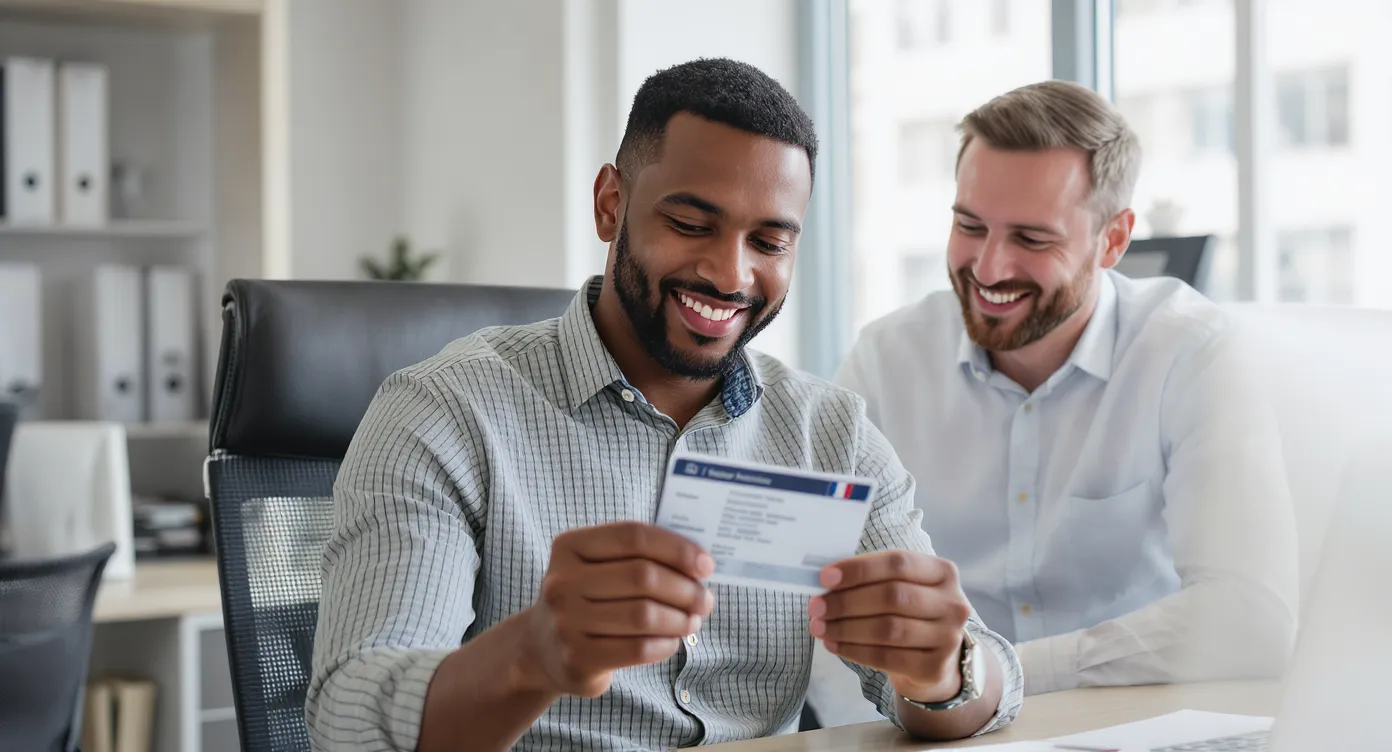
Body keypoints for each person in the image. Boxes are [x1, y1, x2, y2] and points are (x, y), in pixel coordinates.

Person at [305, 58, 1023, 752]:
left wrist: (941, 670)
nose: (729, 273)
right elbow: (348, 720)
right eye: (690, 223)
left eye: (769, 240)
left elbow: (979, 689)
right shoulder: (443, 413)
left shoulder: (831, 433)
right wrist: (532, 655)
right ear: (611, 204)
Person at [808, 80, 1297, 722]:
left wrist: (991, 673)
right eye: (969, 225)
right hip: (929, 729)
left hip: (1131, 725)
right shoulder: (887, 360)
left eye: (1032, 240)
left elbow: (1252, 619)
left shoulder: (1190, 352)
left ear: (1113, 241)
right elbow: (812, 588)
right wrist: (937, 702)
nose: (987, 267)